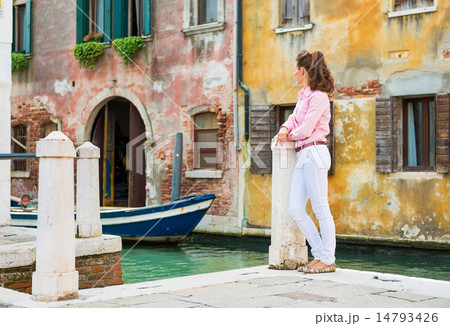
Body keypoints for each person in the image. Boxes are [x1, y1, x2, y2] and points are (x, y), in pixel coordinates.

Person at [276, 50, 336, 273]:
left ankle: (327, 258)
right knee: (295, 208)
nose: (293, 73)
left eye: (295, 69)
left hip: (314, 153)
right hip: (303, 155)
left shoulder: (319, 97)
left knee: (321, 208)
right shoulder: (304, 95)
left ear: (302, 71)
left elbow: (306, 129)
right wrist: (284, 127)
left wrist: (287, 135)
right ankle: (321, 254)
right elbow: (293, 119)